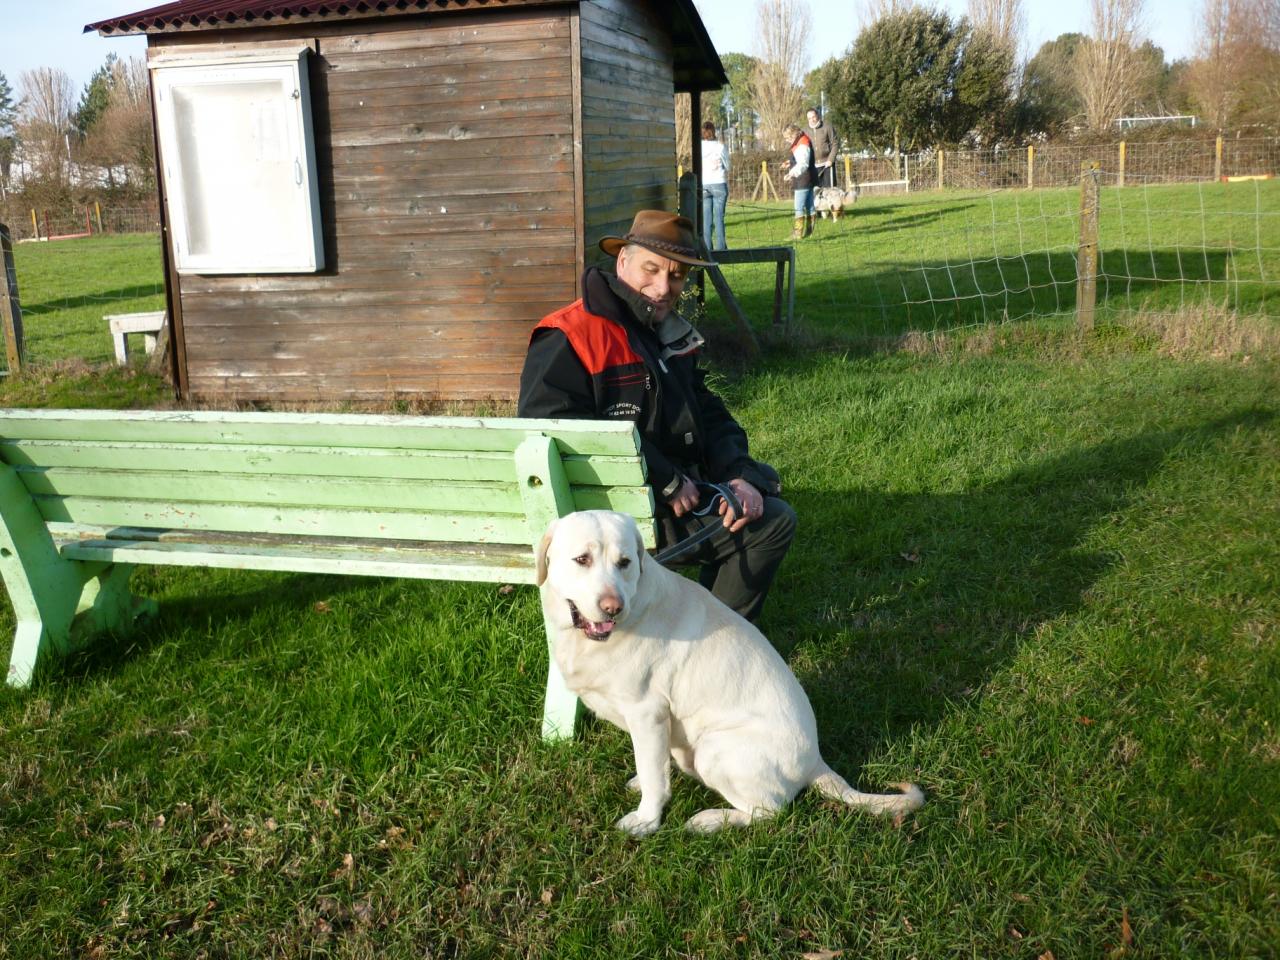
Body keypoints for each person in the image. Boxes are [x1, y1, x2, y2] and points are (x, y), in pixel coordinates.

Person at [518, 210, 797, 624]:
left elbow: (707, 412)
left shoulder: (660, 329)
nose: (664, 287)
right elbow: (553, 432)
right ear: (622, 262)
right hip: (615, 523)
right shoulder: (568, 337)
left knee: (759, 486)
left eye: (678, 276)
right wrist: (666, 479)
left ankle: (693, 627)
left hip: (656, 497)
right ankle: (716, 646)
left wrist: (740, 472)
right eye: (651, 269)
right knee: (772, 522)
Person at [780, 124, 816, 240]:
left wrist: (791, 174)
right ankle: (810, 233)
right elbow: (799, 159)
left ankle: (798, 234)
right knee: (810, 206)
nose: (787, 140)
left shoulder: (802, 143)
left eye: (787, 137)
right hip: (808, 178)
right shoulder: (801, 140)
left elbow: (803, 164)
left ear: (793, 134)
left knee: (798, 207)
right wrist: (789, 162)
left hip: (803, 179)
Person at [700, 121, 730, 252]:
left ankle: (707, 248)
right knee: (719, 218)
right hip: (719, 182)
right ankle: (721, 247)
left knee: (706, 219)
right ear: (714, 131)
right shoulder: (720, 147)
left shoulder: (699, 147)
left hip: (704, 184)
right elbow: (728, 166)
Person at [807, 106, 838, 189]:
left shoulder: (827, 127)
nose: (812, 120)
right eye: (809, 118)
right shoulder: (805, 131)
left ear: (817, 115)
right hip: (813, 167)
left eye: (813, 117)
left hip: (827, 165)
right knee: (816, 193)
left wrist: (830, 159)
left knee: (830, 191)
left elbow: (835, 144)